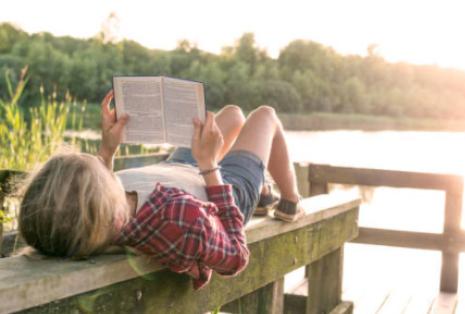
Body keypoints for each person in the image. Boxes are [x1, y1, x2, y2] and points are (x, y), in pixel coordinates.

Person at [17, 90, 304, 289]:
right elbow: (236, 257)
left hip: (178, 170)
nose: (101, 166)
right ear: (112, 208)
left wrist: (108, 149)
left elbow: (95, 200)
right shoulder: (178, 218)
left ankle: (263, 188)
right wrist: (208, 164)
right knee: (264, 115)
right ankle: (290, 200)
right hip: (217, 185)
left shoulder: (102, 218)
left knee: (230, 115)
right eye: (99, 169)